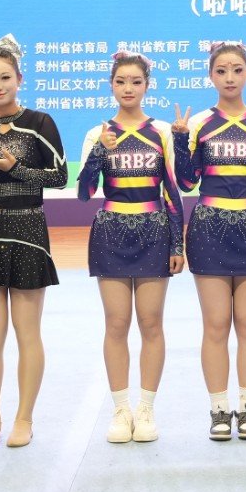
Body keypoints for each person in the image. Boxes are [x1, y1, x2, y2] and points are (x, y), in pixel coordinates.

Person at [0, 35, 67, 450]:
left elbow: (60, 177)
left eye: (5, 77)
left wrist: (14, 167)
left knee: (27, 333)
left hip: (28, 230)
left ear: (20, 78)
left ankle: (24, 419)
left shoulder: (40, 123)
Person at [173, 41, 246, 441]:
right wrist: (179, 140)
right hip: (209, 230)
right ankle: (219, 410)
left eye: (237, 70)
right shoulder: (200, 123)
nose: (230, 78)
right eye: (221, 71)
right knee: (216, 325)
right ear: (211, 76)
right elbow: (187, 182)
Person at [76, 51, 185, 444]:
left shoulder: (161, 133)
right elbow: (84, 193)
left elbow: (173, 191)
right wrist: (99, 153)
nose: (128, 88)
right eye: (121, 81)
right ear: (111, 85)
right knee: (117, 323)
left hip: (154, 231)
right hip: (111, 232)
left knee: (151, 323)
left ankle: (147, 409)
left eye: (135, 81)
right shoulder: (98, 133)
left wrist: (177, 243)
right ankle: (121, 410)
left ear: (146, 85)